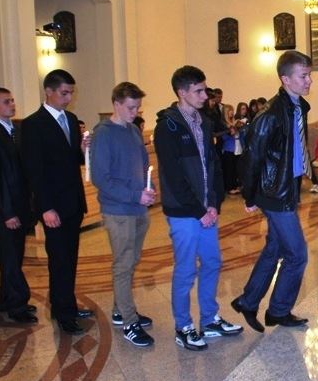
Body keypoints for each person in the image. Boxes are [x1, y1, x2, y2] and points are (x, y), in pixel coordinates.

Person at [154, 66, 242, 351]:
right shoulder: (167, 127)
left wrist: (214, 203)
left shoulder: (204, 122)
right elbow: (173, 176)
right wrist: (198, 210)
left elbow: (213, 165)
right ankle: (183, 326)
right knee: (186, 268)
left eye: (205, 90)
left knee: (212, 262)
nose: (206, 95)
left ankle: (209, 318)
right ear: (182, 92)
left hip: (207, 209)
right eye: (199, 91)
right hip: (184, 212)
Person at [232, 51, 313, 333]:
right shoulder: (270, 115)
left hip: (287, 188)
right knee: (298, 255)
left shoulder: (298, 107)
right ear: (285, 79)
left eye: (309, 75)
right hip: (274, 193)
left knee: (275, 248)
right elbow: (252, 158)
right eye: (303, 76)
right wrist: (249, 196)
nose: (309, 81)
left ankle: (247, 301)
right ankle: (278, 310)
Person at [20, 69, 91, 335]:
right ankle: (64, 314)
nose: (69, 98)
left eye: (71, 93)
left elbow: (73, 160)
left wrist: (83, 150)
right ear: (48, 91)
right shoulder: (33, 124)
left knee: (70, 258)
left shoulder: (70, 119)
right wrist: (46, 207)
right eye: (64, 93)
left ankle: (66, 304)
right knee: (59, 260)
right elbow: (34, 171)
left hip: (73, 202)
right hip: (53, 206)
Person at [91, 82, 157, 347]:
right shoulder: (103, 134)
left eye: (138, 107)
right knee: (123, 264)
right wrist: (134, 195)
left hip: (137, 207)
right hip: (118, 210)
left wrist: (149, 188)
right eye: (130, 107)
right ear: (116, 104)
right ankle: (130, 322)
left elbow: (143, 164)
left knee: (132, 260)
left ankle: (121, 310)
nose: (135, 112)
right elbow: (100, 178)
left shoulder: (133, 131)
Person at [0, 88, 35, 323]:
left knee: (14, 255)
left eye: (12, 100)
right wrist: (7, 213)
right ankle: (17, 306)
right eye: (6, 101)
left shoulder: (15, 130)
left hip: (19, 204)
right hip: (6, 209)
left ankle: (6, 298)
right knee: (10, 258)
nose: (12, 104)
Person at [221, 104, 242, 195]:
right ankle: (230, 187)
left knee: (235, 169)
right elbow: (224, 137)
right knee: (229, 169)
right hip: (228, 149)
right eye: (230, 110)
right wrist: (233, 127)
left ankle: (235, 185)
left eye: (232, 110)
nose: (232, 112)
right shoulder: (223, 124)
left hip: (236, 149)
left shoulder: (233, 121)